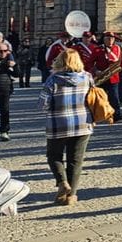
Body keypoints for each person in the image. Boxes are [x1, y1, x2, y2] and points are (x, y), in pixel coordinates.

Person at [37, 49, 94, 206]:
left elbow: (42, 105)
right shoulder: (87, 77)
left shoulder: (53, 79)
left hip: (58, 124)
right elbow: (92, 98)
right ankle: (71, 195)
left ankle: (62, 182)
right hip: (82, 123)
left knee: (54, 156)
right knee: (75, 160)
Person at [92, 32, 122, 121]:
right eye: (108, 38)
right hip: (101, 77)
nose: (110, 40)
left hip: (113, 77)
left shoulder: (117, 48)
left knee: (114, 97)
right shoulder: (98, 49)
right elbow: (90, 63)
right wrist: (96, 71)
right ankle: (98, 114)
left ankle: (116, 114)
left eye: (112, 39)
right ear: (104, 39)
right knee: (100, 97)